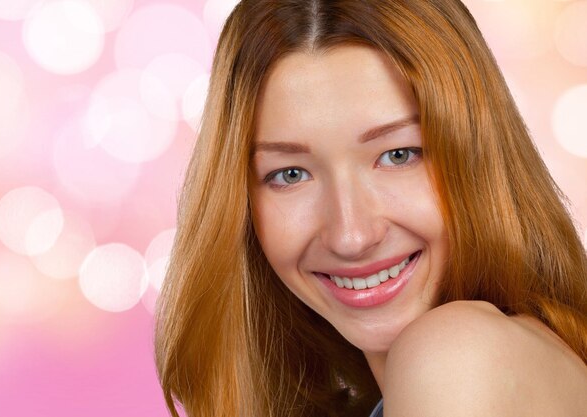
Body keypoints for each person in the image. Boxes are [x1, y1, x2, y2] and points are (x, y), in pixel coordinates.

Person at [154, 1, 587, 416]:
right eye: (290, 174)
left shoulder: (459, 356)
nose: (351, 236)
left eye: (399, 155)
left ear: (480, 156)